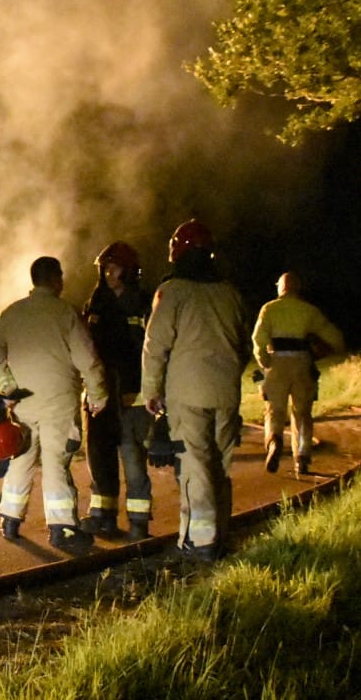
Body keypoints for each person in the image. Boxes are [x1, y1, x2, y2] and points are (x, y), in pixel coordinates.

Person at [0, 255, 109, 553]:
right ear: (55, 279)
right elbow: (88, 360)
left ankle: (10, 520)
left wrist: (9, 388)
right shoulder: (66, 313)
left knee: (21, 458)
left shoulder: (12, 313)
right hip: (59, 404)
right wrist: (98, 395)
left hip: (23, 404)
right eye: (61, 276)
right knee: (55, 463)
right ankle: (62, 529)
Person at [141, 219, 248, 563]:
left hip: (187, 395)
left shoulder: (172, 292)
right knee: (221, 467)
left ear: (176, 253)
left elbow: (155, 345)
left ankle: (199, 542)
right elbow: (244, 345)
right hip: (227, 393)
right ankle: (219, 536)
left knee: (195, 466)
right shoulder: (230, 292)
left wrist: (151, 391)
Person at [80, 241, 154, 541]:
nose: (109, 274)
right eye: (105, 269)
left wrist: (140, 387)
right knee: (99, 456)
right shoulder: (96, 302)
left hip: (132, 396)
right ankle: (103, 516)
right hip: (101, 395)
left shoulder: (144, 303)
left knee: (133, 458)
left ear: (130, 271)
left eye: (115, 268)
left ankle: (138, 522)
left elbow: (152, 350)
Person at [252, 271, 345, 475]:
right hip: (302, 363)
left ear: (280, 287)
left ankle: (274, 441)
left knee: (274, 410)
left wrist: (265, 362)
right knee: (302, 413)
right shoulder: (309, 311)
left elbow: (258, 340)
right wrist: (328, 352)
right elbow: (335, 338)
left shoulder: (269, 309)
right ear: (298, 288)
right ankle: (302, 457)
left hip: (276, 362)